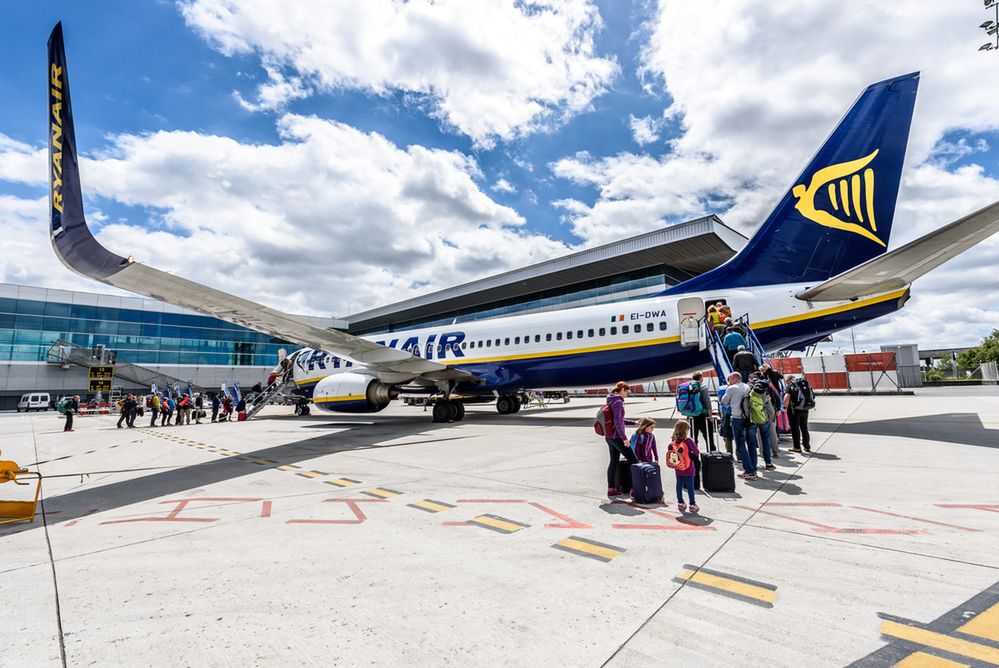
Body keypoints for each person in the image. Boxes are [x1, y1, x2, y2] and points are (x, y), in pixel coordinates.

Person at [720, 372, 758, 480]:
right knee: (751, 444)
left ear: (735, 379)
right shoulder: (748, 386)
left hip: (738, 418)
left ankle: (749, 471)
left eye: (730, 379)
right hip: (750, 419)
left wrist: (728, 389)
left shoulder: (731, 388)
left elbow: (724, 401)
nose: (729, 381)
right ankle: (753, 468)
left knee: (741, 445)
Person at [604, 381, 638, 496]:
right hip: (617, 437)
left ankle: (611, 489)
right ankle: (635, 489)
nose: (627, 394)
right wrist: (624, 439)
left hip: (609, 437)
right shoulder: (618, 402)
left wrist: (633, 422)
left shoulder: (610, 399)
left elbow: (616, 420)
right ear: (622, 390)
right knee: (634, 461)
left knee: (613, 461)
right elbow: (618, 422)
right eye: (627, 392)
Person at [669, 420, 699, 512]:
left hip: (678, 465)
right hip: (688, 465)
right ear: (686, 430)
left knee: (679, 484)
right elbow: (696, 452)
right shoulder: (689, 440)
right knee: (690, 485)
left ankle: (680, 503)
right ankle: (692, 504)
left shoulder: (674, 440)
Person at [784, 375, 814, 453]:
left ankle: (797, 447)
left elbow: (786, 397)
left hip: (794, 410)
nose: (785, 382)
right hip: (805, 409)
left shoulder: (790, 386)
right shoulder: (805, 385)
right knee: (804, 428)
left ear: (790, 380)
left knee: (795, 429)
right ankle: (807, 446)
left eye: (786, 380)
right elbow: (812, 396)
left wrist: (784, 407)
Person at [687, 372, 715, 452]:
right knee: (709, 438)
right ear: (701, 378)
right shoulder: (703, 387)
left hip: (692, 416)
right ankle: (711, 457)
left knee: (693, 439)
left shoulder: (689, 387)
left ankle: (694, 459)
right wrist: (710, 416)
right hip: (703, 416)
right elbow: (707, 403)